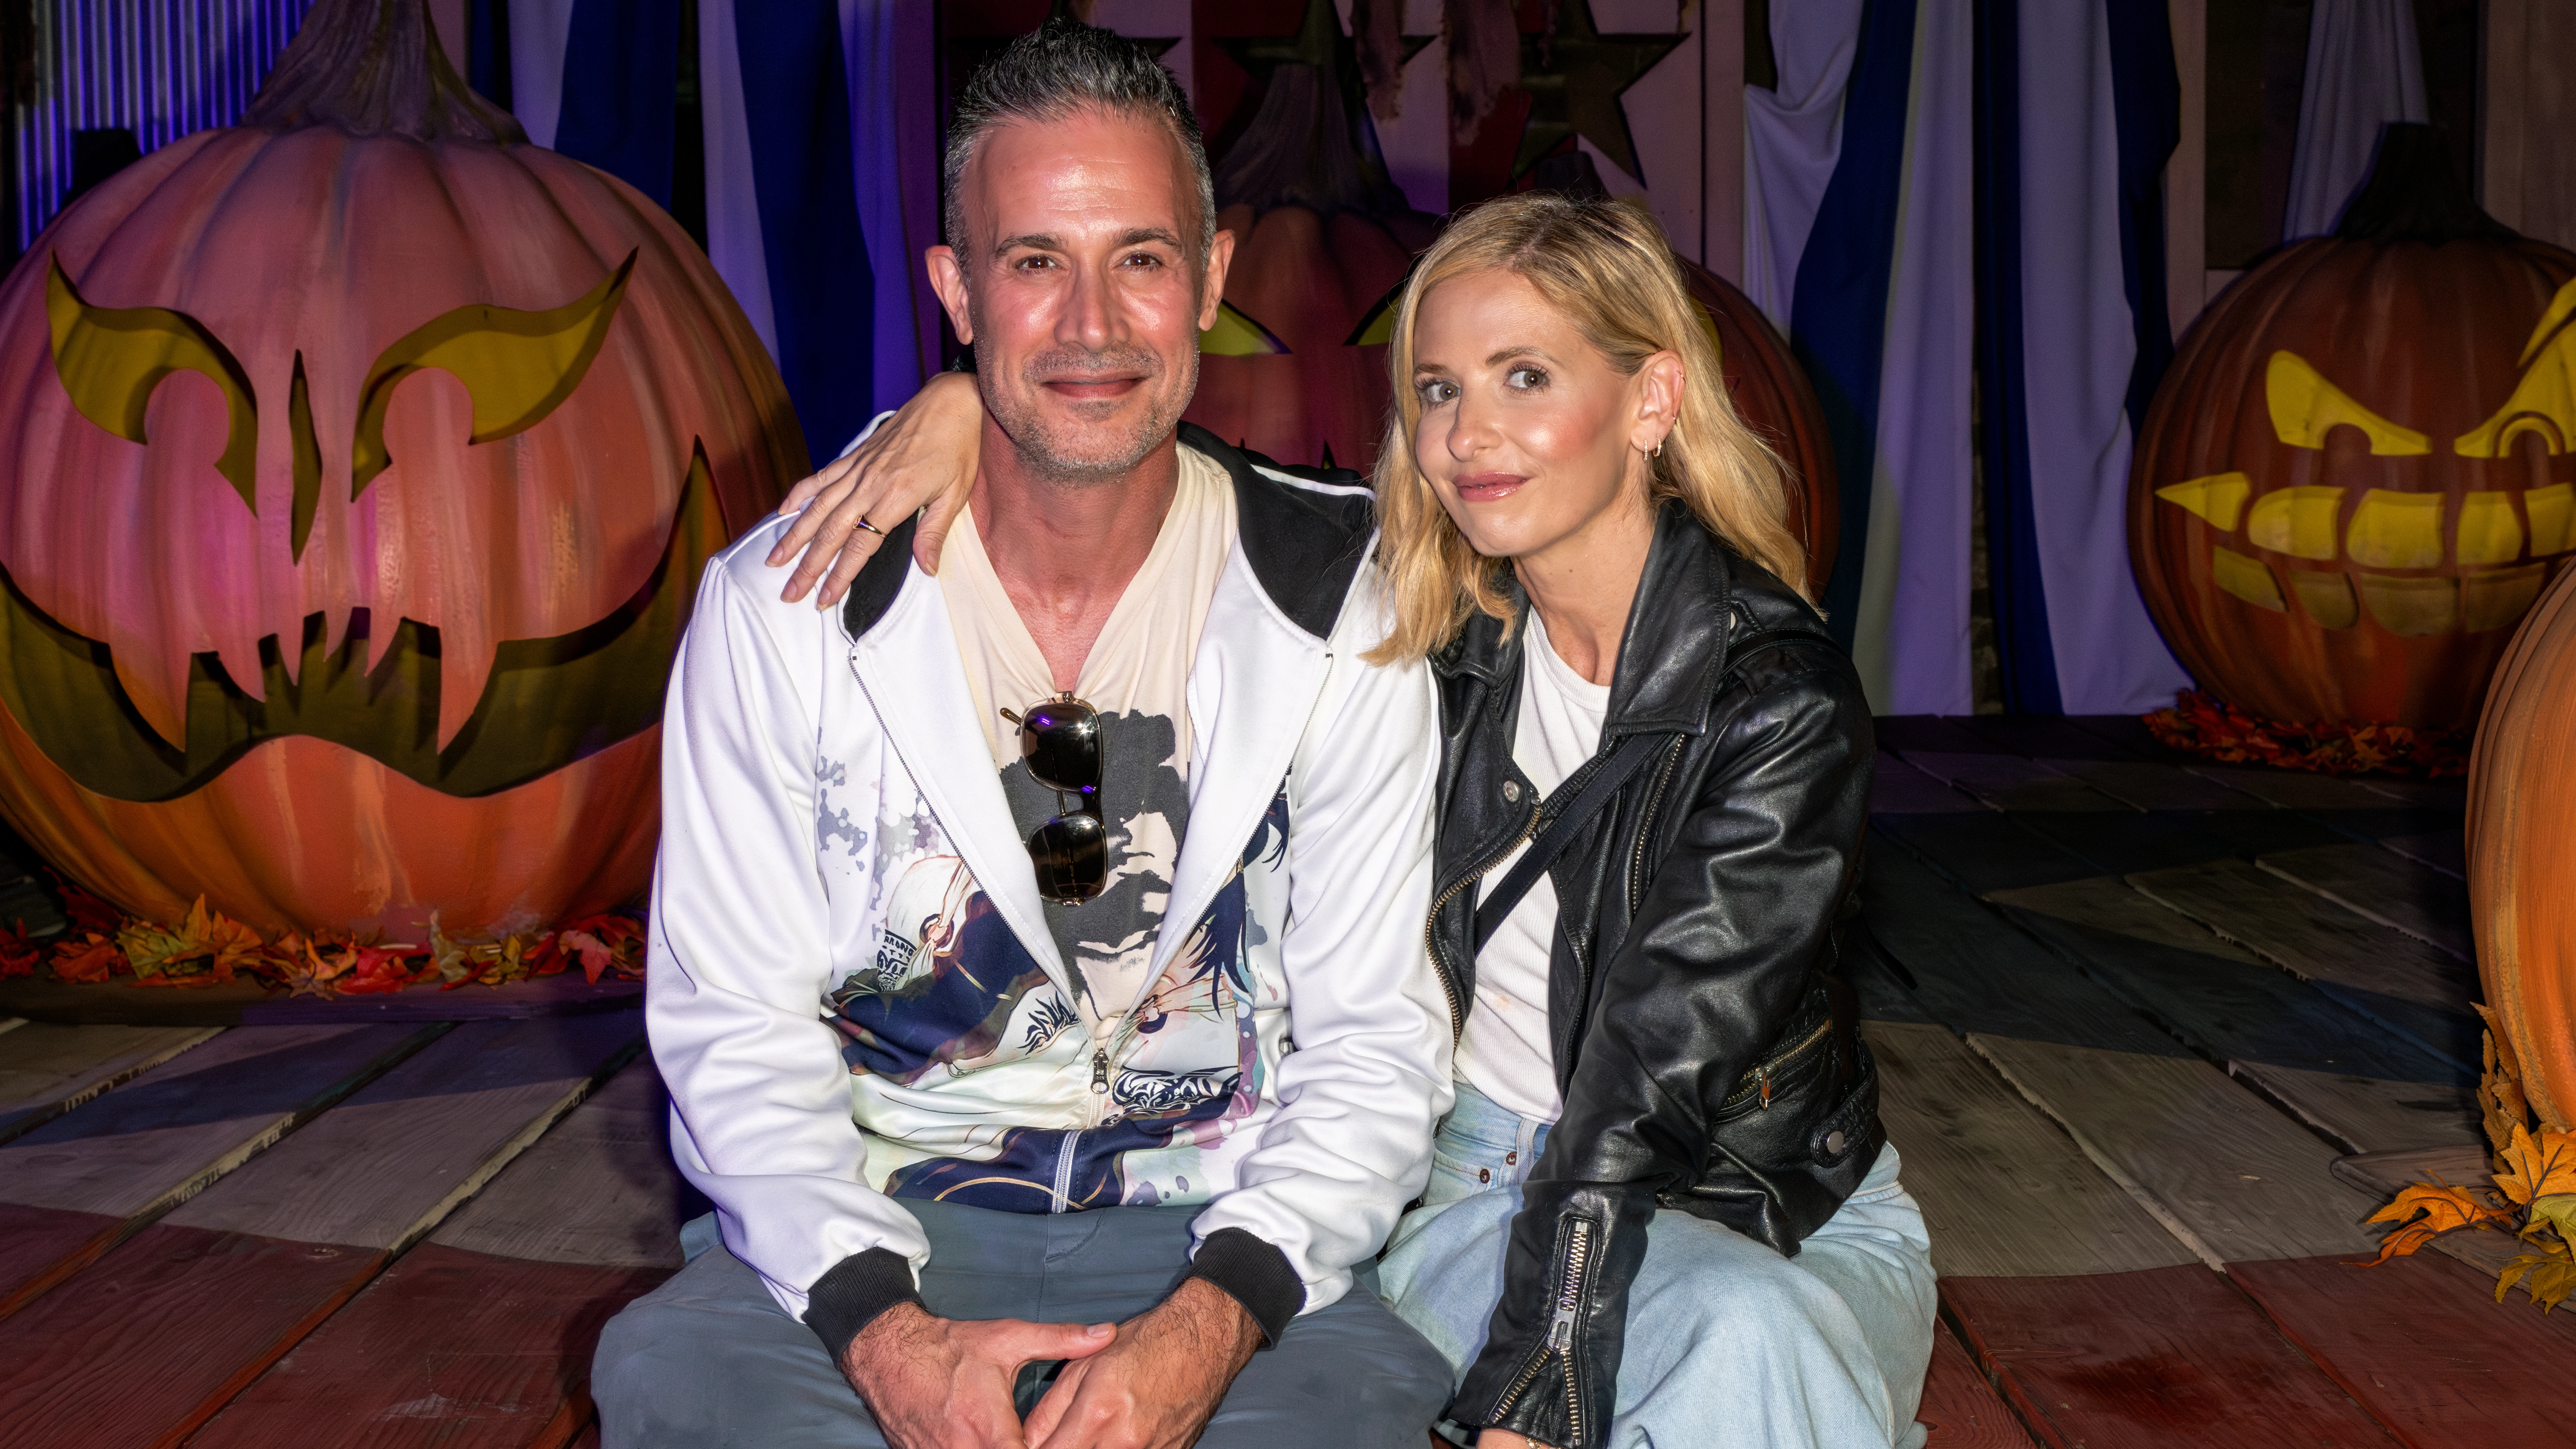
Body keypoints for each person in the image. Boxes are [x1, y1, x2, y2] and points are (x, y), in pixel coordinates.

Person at [775, 193, 1939, 1449]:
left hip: (1766, 1202)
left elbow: (1650, 1084)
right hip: (1479, 1194)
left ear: (1652, 400)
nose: (1469, 434)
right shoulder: (1420, 631)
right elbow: (1180, 479)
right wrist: (968, 411)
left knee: (1752, 1337)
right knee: (1753, 1355)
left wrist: (1541, 1387)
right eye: (1437, 391)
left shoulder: (1776, 703)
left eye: (1524, 377)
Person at [595, 20, 1458, 1449]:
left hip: (1221, 1235)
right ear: (956, 291)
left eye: (1140, 257)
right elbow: (734, 1032)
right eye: (1035, 263)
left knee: (1361, 1411)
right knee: (673, 1384)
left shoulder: (1340, 598)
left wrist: (1204, 1330)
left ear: (1213, 278)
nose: (1095, 324)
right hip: (884, 1229)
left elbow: (1373, 1045)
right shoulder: (783, 610)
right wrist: (887, 1339)